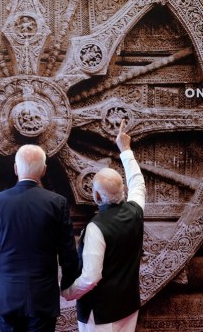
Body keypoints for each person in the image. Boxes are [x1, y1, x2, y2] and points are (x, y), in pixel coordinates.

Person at [0, 144, 79, 332]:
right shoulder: (58, 203)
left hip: (6, 295)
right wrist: (67, 286)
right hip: (43, 297)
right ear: (43, 170)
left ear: (16, 169)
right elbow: (68, 252)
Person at [62, 120, 146, 332]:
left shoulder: (95, 228)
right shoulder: (135, 211)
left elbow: (91, 277)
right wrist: (125, 150)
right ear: (123, 191)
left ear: (96, 195)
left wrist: (68, 292)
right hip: (128, 306)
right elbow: (138, 182)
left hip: (100, 313)